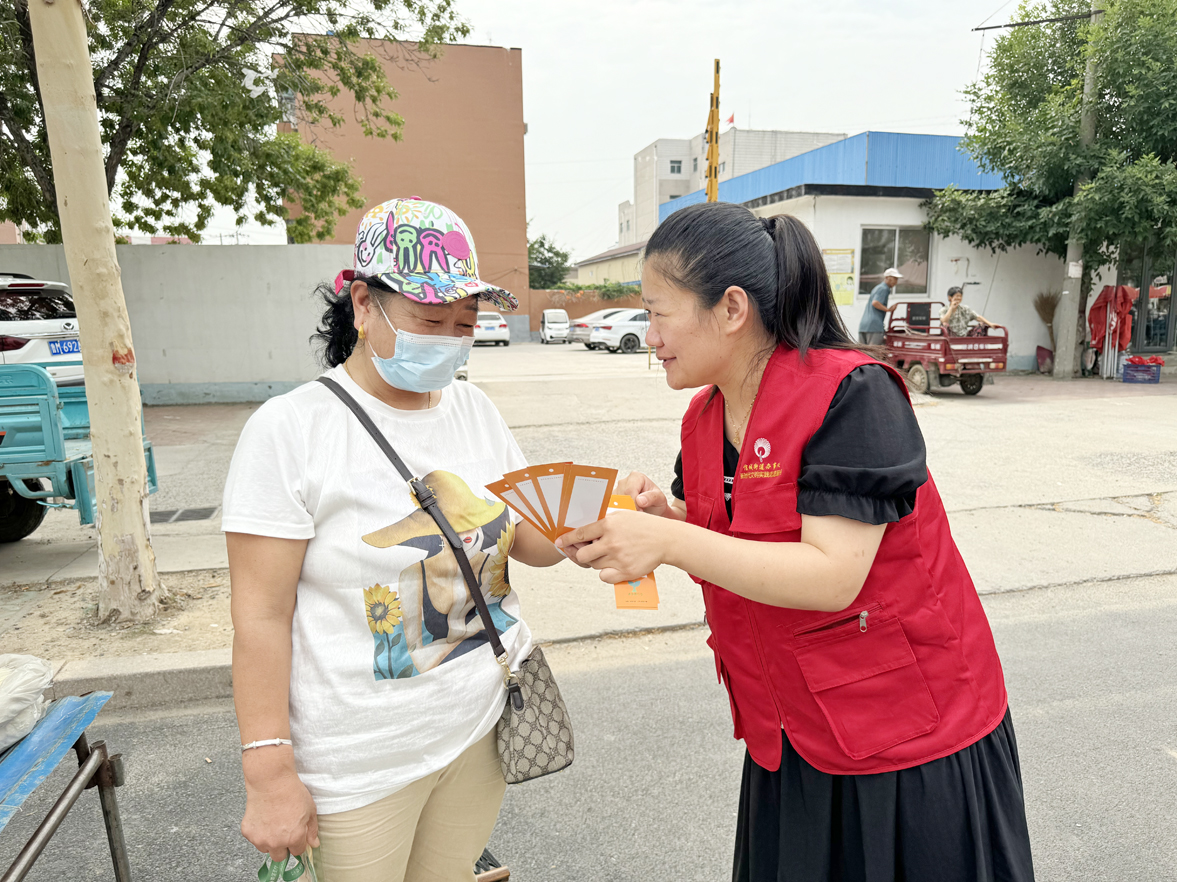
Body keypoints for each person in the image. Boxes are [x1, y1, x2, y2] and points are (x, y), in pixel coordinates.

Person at [557, 202, 1033, 882]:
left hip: (906, 737)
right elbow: (745, 536)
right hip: (789, 728)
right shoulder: (704, 418)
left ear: (730, 308)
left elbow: (831, 575)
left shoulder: (852, 393)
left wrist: (667, 541)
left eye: (658, 312)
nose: (650, 335)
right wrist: (669, 517)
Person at [222, 197, 567, 882]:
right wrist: (268, 771)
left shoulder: (474, 409)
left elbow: (525, 538)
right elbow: (260, 615)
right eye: (430, 321)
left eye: (464, 323)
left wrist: (591, 522)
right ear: (363, 304)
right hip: (358, 765)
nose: (449, 340)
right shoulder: (290, 430)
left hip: (477, 730)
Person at [856, 267, 901, 345]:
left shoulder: (878, 287)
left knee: (862, 351)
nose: (896, 282)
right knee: (873, 351)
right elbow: (875, 303)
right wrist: (888, 309)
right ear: (887, 278)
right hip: (875, 326)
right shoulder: (884, 288)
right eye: (895, 279)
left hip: (864, 326)